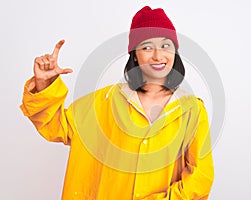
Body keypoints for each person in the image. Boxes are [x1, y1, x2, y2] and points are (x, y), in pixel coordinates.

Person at [20, 6, 214, 200]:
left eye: (165, 46)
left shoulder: (192, 110)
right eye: (147, 47)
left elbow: (201, 177)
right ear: (135, 54)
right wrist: (44, 84)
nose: (158, 55)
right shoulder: (102, 102)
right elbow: (57, 127)